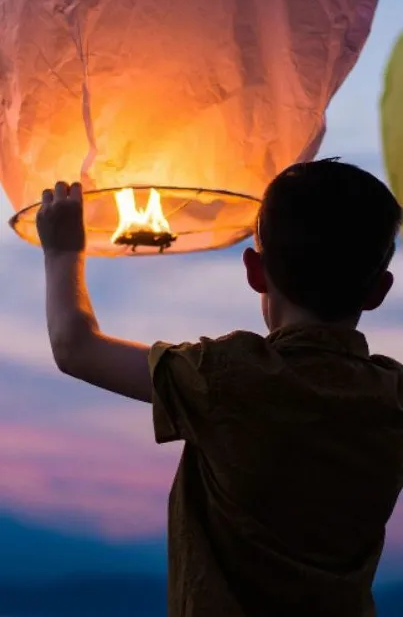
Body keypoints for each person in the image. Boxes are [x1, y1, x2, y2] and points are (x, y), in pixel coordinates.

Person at [36, 159, 403, 617]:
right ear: (379, 291)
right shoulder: (393, 396)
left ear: (255, 270)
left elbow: (74, 347)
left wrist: (62, 251)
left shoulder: (228, 376)